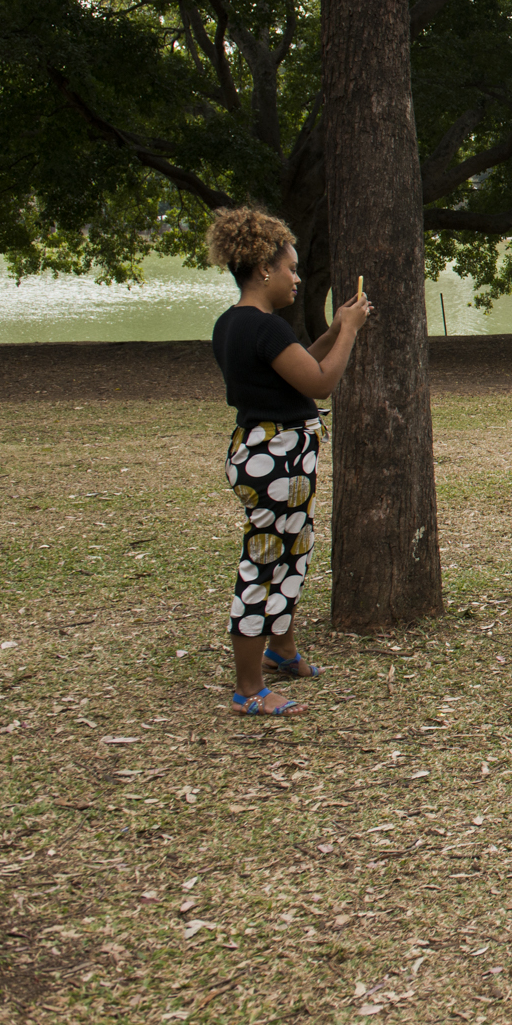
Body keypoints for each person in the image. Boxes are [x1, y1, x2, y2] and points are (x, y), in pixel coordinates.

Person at [205, 207, 373, 716]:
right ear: (263, 270)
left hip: (267, 452)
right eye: (291, 268)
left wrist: (337, 325)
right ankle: (249, 689)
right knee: (263, 563)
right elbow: (321, 381)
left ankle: (280, 650)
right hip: (274, 459)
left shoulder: (235, 324)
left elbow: (302, 362)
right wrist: (352, 331)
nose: (297, 277)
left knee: (292, 551)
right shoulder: (265, 328)